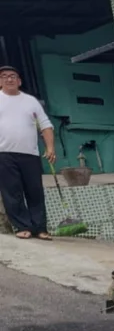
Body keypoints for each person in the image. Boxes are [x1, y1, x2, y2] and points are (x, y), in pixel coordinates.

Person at [0, 65, 56, 240]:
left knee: (35, 191)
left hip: (30, 154)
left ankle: (40, 228)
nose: (9, 79)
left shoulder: (31, 101)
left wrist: (50, 148)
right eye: (5, 76)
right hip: (4, 153)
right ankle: (23, 226)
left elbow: (46, 125)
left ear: (19, 81)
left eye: (13, 76)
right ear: (0, 81)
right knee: (12, 191)